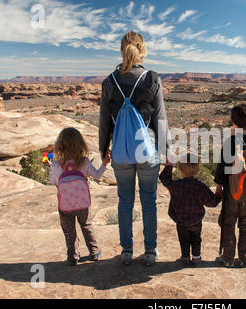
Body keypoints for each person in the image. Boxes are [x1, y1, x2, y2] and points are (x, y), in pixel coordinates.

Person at [99, 31, 170, 266]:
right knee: (148, 201)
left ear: (122, 49)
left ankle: (127, 251)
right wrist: (167, 149)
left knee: (125, 201)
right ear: (142, 50)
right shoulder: (152, 79)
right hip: (147, 150)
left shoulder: (109, 81)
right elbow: (160, 119)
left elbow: (104, 121)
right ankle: (150, 251)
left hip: (121, 151)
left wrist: (103, 148)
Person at [50, 127, 110, 266]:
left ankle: (72, 257)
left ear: (60, 145)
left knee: (69, 231)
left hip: (65, 205)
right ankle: (94, 252)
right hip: (83, 204)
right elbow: (97, 175)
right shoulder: (84, 162)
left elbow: (54, 182)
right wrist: (105, 164)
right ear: (80, 144)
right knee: (86, 225)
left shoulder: (55, 164)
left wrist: (52, 171)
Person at [214, 104, 246, 268]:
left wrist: (219, 186)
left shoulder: (231, 141)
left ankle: (227, 258)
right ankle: (245, 258)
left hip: (232, 191)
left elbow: (222, 167)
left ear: (234, 121)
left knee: (229, 223)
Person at [159, 154, 221, 266]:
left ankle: (185, 257)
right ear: (197, 169)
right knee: (196, 239)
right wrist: (218, 190)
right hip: (196, 221)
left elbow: (164, 178)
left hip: (180, 220)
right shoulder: (201, 187)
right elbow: (213, 202)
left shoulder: (176, 185)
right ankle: (196, 258)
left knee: (183, 239)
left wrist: (169, 165)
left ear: (180, 170)